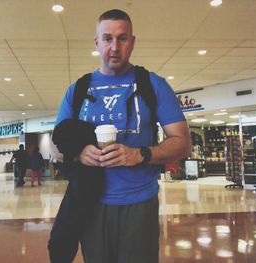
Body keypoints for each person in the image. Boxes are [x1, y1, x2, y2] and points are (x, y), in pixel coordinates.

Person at [53, 9, 191, 263]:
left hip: (139, 203)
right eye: (107, 38)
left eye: (122, 38)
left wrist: (140, 154)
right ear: (97, 43)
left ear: (133, 42)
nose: (114, 47)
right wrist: (80, 152)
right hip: (91, 202)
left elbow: (183, 143)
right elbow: (56, 146)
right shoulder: (78, 90)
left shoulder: (153, 85)